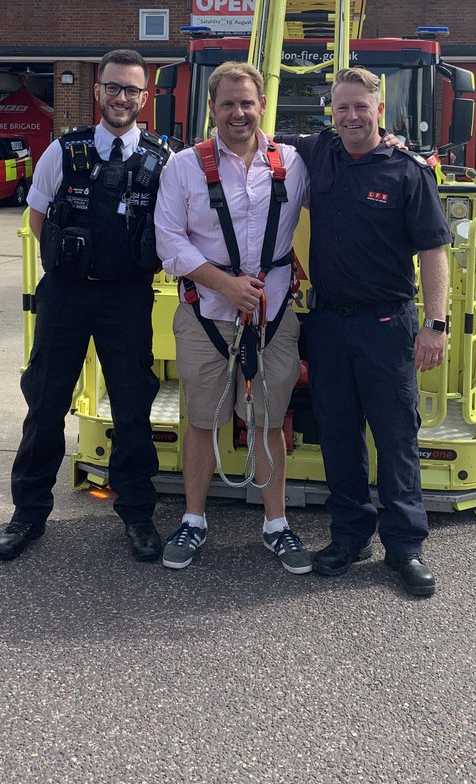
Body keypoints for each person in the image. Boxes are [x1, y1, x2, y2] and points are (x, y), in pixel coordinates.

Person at [277, 66, 451, 597]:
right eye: (342, 107)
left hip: (386, 324)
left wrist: (435, 324)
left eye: (361, 106)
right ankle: (349, 537)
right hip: (328, 323)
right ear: (331, 112)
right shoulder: (317, 152)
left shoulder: (407, 171)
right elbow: (254, 136)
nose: (351, 116)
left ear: (380, 109)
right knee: (338, 435)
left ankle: (405, 548)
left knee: (396, 438)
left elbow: (434, 250)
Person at [0, 49, 172, 563]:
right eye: (113, 87)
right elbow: (37, 219)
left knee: (133, 408)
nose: (121, 97)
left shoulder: (162, 160)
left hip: (127, 298)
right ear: (98, 91)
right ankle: (28, 514)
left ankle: (137, 514)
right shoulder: (62, 151)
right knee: (45, 404)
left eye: (131, 89)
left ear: (144, 97)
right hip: (66, 295)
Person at [154, 62, 312, 573]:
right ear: (212, 108)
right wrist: (226, 286)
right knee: (201, 421)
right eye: (228, 104)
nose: (238, 113)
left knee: (269, 422)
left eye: (247, 103)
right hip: (206, 314)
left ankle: (276, 524)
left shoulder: (292, 162)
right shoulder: (182, 167)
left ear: (262, 105)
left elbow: (353, 164)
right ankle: (193, 519)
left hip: (273, 317)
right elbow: (169, 240)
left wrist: (390, 143)